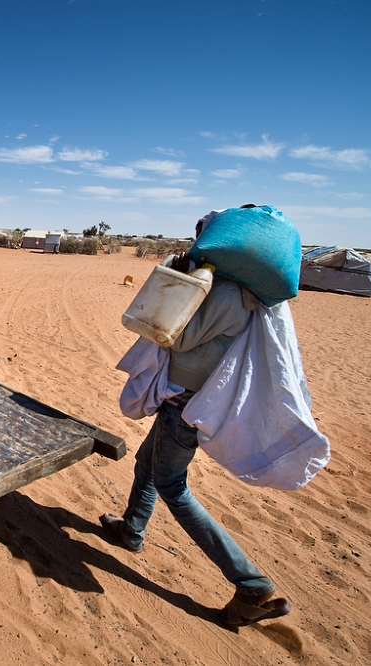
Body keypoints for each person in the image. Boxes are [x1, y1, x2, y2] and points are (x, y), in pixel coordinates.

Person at [102, 208, 291, 627]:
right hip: (184, 398)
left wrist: (179, 285)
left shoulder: (227, 295)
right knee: (146, 465)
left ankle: (251, 584)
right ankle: (131, 528)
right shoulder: (237, 292)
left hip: (184, 405)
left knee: (172, 485)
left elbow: (176, 336)